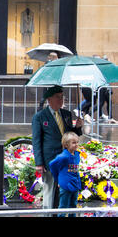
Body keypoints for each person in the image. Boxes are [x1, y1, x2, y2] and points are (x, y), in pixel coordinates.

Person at [32, 85, 83, 213]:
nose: (61, 100)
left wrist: (77, 128)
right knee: (50, 190)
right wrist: (39, 162)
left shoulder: (66, 114)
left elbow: (70, 136)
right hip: (50, 159)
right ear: (49, 100)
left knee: (65, 190)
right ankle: (48, 214)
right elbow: (36, 141)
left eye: (62, 97)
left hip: (66, 159)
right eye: (57, 97)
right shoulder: (40, 117)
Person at [49, 132, 81, 217]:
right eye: (73, 143)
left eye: (77, 142)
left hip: (75, 183)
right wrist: (58, 180)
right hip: (66, 184)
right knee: (63, 206)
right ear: (66, 145)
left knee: (73, 206)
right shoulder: (63, 156)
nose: (76, 144)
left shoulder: (77, 154)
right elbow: (52, 165)